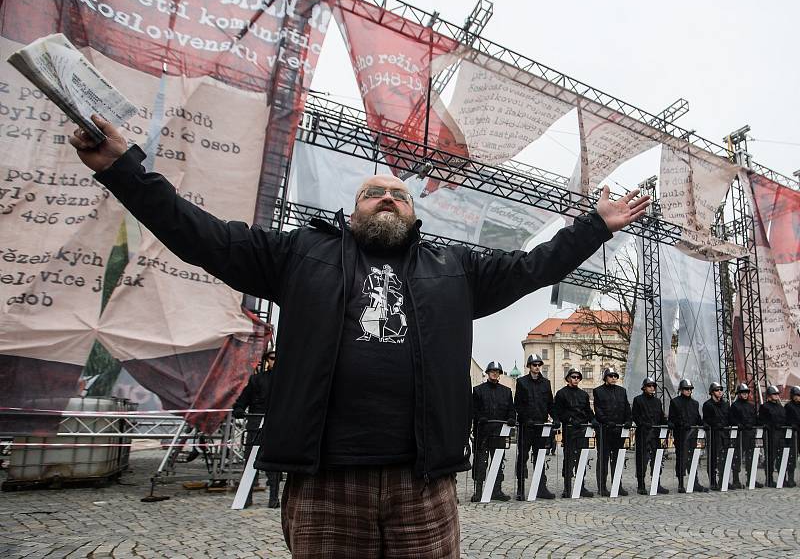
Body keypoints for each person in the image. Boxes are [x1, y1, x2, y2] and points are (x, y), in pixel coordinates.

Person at [70, 115, 648, 557]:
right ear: (353, 212)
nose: (389, 199)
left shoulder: (455, 270)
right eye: (375, 193)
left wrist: (595, 226)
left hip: (421, 482)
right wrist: (123, 169)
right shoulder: (299, 254)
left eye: (399, 194)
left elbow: (535, 266)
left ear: (414, 215)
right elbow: (202, 236)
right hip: (325, 481)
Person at [232, 349, 281, 508]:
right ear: (267, 360)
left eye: (276, 358)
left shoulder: (286, 382)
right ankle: (246, 497)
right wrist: (239, 409)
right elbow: (242, 400)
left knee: (273, 461)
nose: (274, 360)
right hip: (255, 422)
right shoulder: (256, 380)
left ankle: (274, 498)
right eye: (271, 358)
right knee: (250, 460)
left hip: (274, 424)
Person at [513, 354, 556, 500]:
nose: (537, 367)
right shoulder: (522, 382)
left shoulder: (546, 383)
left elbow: (550, 403)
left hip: (540, 425)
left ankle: (541, 488)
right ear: (529, 366)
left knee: (540, 457)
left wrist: (555, 417)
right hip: (527, 427)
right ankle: (520, 488)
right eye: (534, 365)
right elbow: (518, 404)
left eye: (538, 365)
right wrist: (526, 418)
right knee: (523, 457)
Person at [471, 362, 515, 501]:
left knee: (498, 462)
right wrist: (479, 417)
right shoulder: (478, 390)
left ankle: (496, 490)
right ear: (488, 373)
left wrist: (511, 419)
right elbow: (473, 409)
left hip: (499, 432)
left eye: (497, 371)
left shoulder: (506, 391)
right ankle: (478, 491)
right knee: (480, 463)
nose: (495, 373)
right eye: (492, 371)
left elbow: (511, 409)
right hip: (483, 432)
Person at [554, 368, 594, 498]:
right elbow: (559, 412)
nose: (576, 379)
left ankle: (581, 486)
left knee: (582, 459)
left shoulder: (583, 394)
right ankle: (567, 488)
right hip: (570, 429)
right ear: (568, 378)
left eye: (578, 377)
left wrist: (593, 420)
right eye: (573, 377)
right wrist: (569, 419)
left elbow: (588, 410)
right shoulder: (561, 393)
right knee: (569, 459)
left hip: (582, 429)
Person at [592, 367, 631, 496]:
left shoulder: (622, 391)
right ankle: (602, 487)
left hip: (618, 430)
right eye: (611, 376)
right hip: (605, 431)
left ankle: (617, 485)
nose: (613, 378)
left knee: (618, 459)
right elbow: (598, 410)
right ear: (605, 377)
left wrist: (628, 420)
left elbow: (626, 407)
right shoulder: (598, 391)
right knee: (603, 459)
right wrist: (606, 421)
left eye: (615, 376)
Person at [668, 379, 708, 493]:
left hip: (693, 435)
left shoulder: (695, 403)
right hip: (681, 435)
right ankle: (681, 483)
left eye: (690, 389)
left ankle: (695, 482)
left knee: (694, 458)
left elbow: (697, 419)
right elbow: (671, 419)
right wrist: (680, 424)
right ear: (681, 390)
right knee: (682, 459)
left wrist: (704, 424)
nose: (689, 391)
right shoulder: (675, 402)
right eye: (686, 389)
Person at [631, 376, 668, 495]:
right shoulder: (638, 400)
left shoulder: (657, 401)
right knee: (642, 460)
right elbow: (635, 416)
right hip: (643, 434)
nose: (652, 388)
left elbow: (661, 417)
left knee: (657, 460)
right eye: (649, 386)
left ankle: (656, 483)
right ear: (644, 387)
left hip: (655, 435)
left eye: (653, 386)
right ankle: (641, 485)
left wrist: (667, 423)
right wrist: (643, 424)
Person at [728, 383, 761, 489]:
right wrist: (738, 424)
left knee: (751, 457)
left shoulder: (751, 406)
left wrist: (753, 424)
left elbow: (755, 418)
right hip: (739, 435)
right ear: (739, 394)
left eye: (746, 393)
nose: (745, 395)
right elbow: (731, 419)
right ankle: (736, 479)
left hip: (750, 434)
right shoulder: (735, 405)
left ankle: (751, 479)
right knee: (737, 457)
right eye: (743, 393)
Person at [701, 381, 729, 490]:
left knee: (724, 458)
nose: (720, 392)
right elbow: (706, 420)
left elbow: (729, 418)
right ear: (712, 392)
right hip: (713, 435)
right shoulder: (707, 405)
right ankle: (713, 481)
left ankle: (723, 480)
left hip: (724, 434)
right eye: (717, 390)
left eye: (721, 390)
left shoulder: (725, 404)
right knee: (713, 459)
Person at [759, 385, 788, 487]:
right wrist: (770, 425)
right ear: (769, 396)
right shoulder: (764, 407)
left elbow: (785, 419)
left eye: (777, 394)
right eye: (774, 394)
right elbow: (762, 421)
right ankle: (769, 479)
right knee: (770, 458)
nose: (776, 396)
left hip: (780, 434)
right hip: (770, 435)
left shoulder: (780, 407)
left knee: (782, 457)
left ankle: (783, 478)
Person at [784, 386, 800, 488]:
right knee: (792, 457)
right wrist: (792, 425)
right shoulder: (788, 406)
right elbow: (785, 419)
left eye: (799, 395)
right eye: (796, 395)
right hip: (793, 434)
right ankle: (790, 478)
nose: (798, 397)